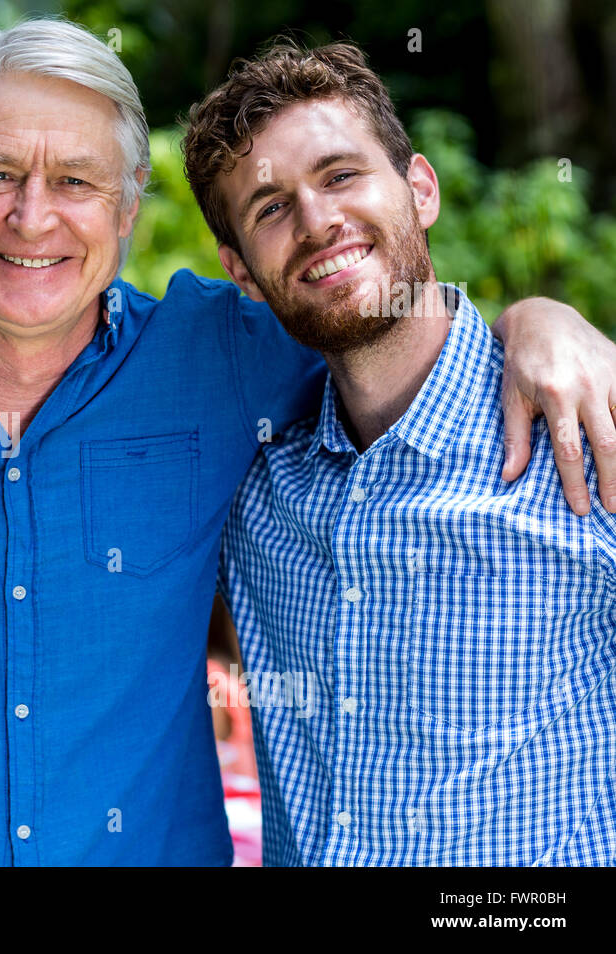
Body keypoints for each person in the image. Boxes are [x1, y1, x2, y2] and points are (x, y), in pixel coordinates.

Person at [0, 19, 615, 866]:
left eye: (76, 181)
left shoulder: (223, 357)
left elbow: (378, 306)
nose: (32, 215)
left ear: (129, 211)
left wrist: (543, 320)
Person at [176, 40, 616, 865]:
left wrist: (544, 315)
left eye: (342, 176)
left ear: (420, 188)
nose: (317, 222)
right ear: (240, 270)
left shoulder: (590, 439)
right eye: (271, 207)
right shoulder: (252, 480)